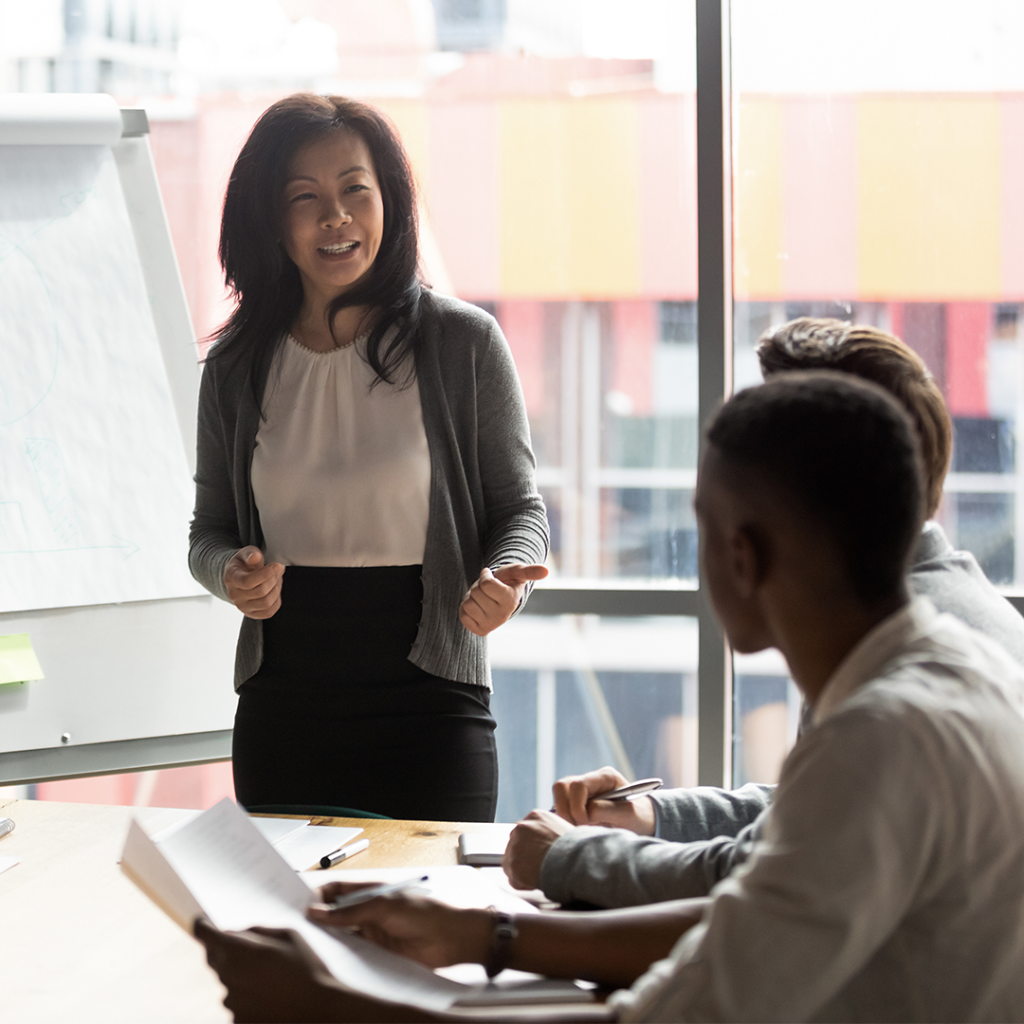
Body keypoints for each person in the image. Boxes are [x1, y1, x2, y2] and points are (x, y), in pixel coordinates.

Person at [197, 373, 1024, 1022]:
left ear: (741, 555)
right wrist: (484, 935)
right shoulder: (949, 668)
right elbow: (746, 922)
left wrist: (330, 1010)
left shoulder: (878, 739)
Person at [503, 316, 1024, 906]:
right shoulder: (908, 613)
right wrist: (648, 815)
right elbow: (812, 815)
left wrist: (567, 867)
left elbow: (766, 884)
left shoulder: (906, 665)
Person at [189, 93, 549, 821]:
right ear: (270, 220)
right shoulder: (236, 367)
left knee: (436, 924)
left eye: (356, 189)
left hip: (432, 701)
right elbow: (208, 533)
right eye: (305, 198)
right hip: (284, 706)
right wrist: (230, 574)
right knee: (287, 927)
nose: (336, 217)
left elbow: (520, 509)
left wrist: (508, 579)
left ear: (390, 202)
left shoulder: (463, 344)